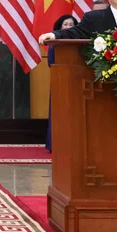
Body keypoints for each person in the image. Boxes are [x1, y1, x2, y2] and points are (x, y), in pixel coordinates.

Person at [46, 14, 77, 153]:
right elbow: (50, 63)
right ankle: (55, 144)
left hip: (76, 82)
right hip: (60, 81)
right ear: (60, 27)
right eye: (66, 24)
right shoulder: (55, 43)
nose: (68, 27)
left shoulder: (79, 43)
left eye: (71, 25)